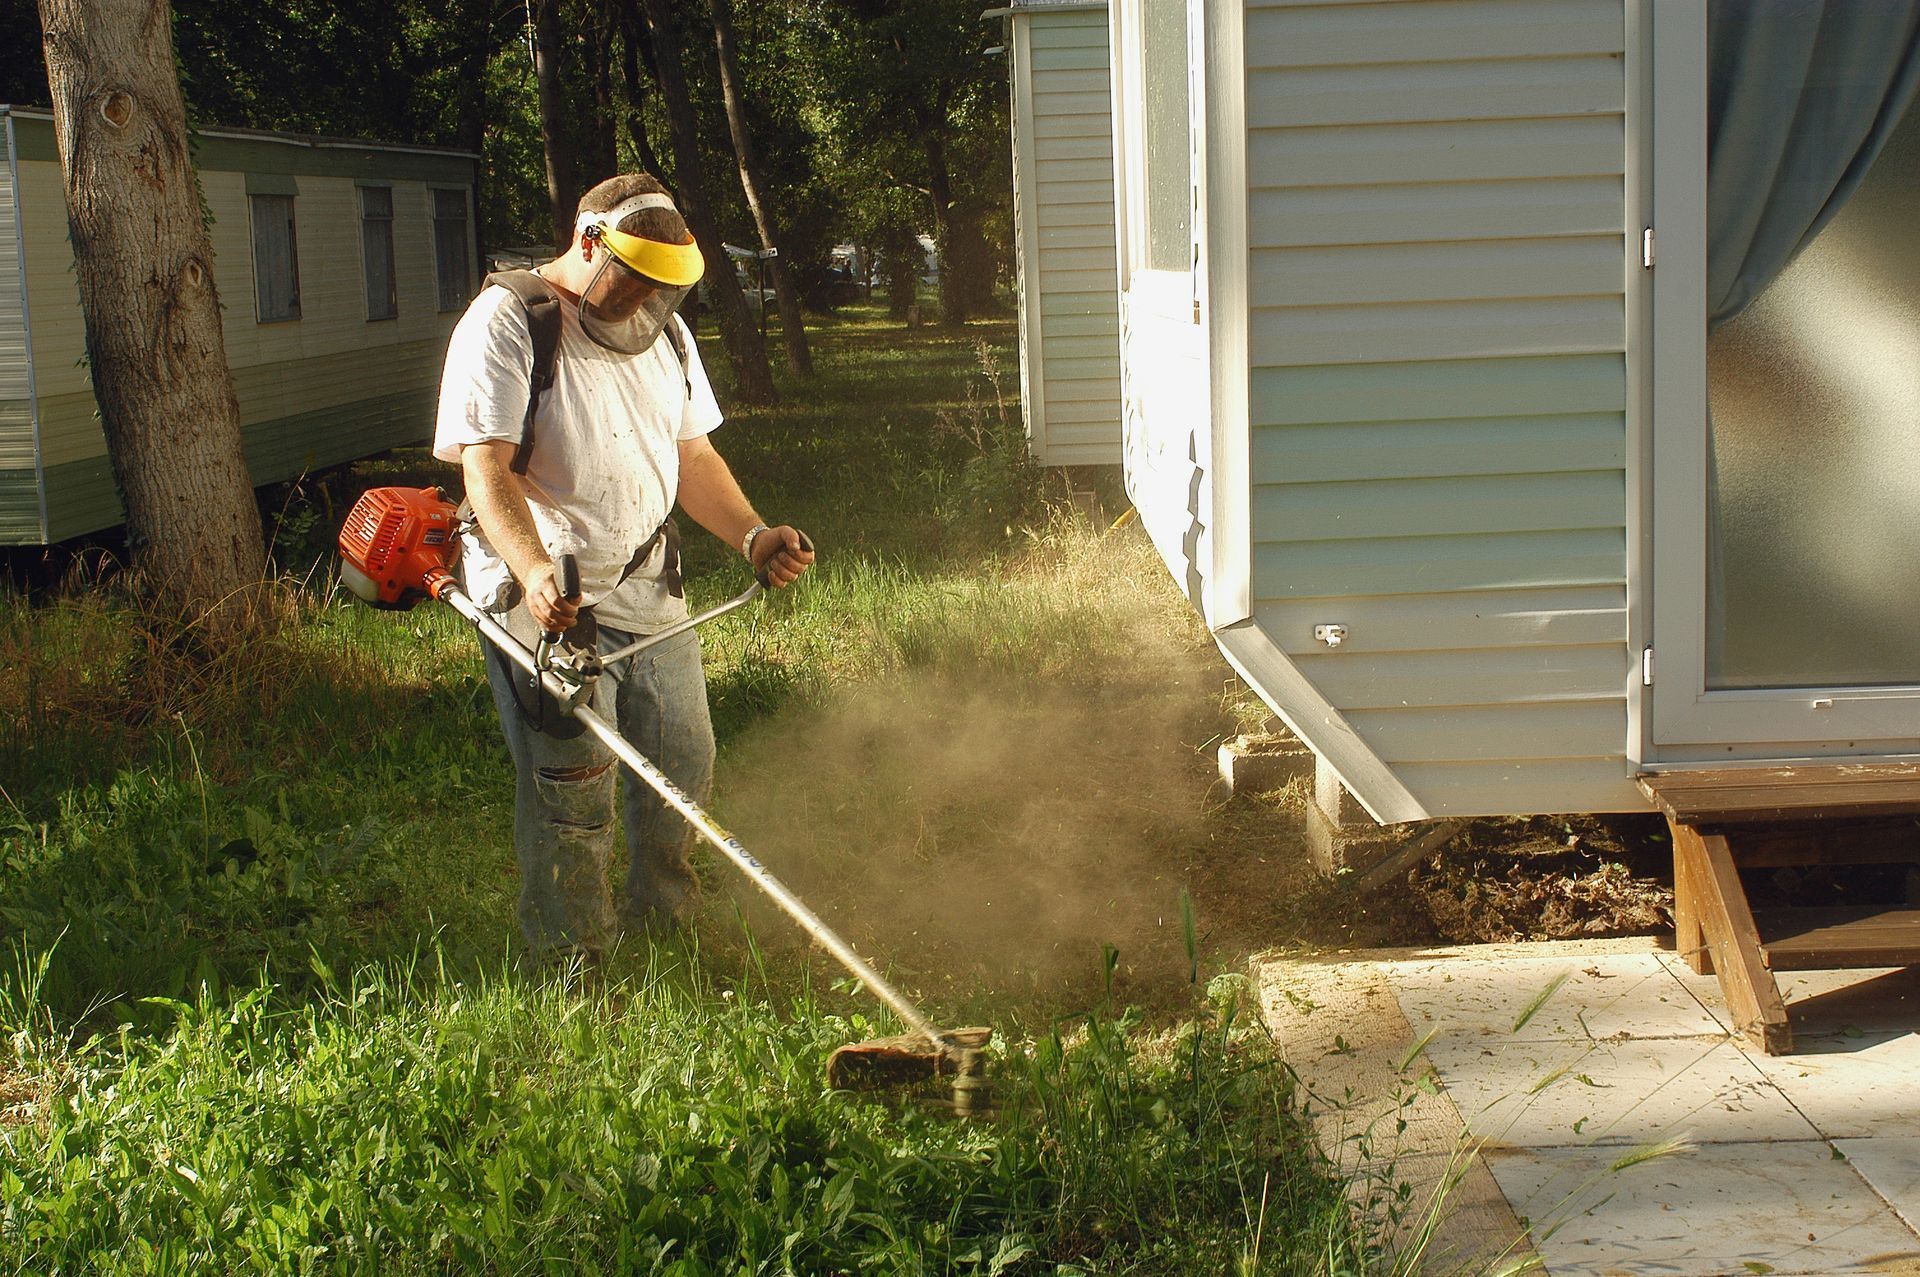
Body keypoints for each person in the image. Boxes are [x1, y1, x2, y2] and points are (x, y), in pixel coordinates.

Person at [433, 173, 813, 966]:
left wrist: (753, 537)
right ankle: (575, 961)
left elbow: (694, 455)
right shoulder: (510, 321)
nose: (645, 299)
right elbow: (487, 470)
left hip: (644, 578)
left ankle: (666, 921)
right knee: (574, 785)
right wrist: (534, 570)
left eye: (662, 289)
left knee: (684, 757)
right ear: (588, 243)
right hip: (544, 595)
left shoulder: (665, 337)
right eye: (634, 278)